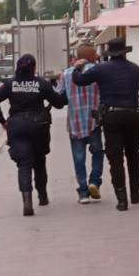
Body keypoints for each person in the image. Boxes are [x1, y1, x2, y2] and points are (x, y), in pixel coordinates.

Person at [0, 54, 67, 216]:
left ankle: (27, 202)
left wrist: (2, 120)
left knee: (24, 164)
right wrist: (62, 93)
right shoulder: (42, 84)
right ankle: (43, 196)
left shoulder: (10, 84)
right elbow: (59, 103)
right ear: (34, 68)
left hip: (17, 126)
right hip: (39, 125)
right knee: (39, 161)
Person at [72, 38, 139, 212]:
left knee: (115, 158)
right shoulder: (135, 69)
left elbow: (79, 80)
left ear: (109, 53)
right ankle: (135, 193)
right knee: (133, 155)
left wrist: (77, 67)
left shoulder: (102, 69)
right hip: (133, 115)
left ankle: (122, 200)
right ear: (125, 52)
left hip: (112, 116)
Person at [59, 46, 104, 205]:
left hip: (75, 122)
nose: (98, 55)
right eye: (95, 53)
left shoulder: (66, 74)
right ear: (91, 56)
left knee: (79, 159)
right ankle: (94, 181)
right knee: (98, 153)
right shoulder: (99, 71)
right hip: (94, 122)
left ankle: (83, 193)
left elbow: (59, 96)